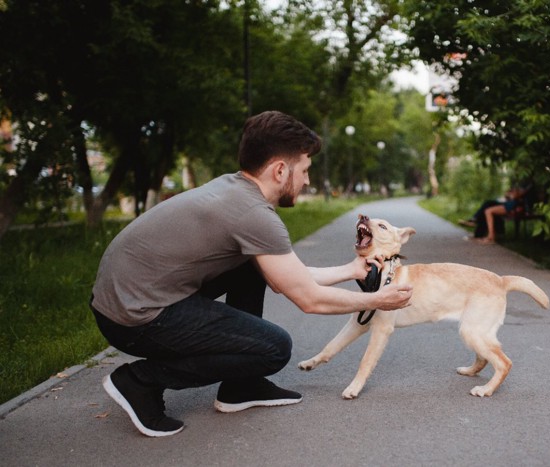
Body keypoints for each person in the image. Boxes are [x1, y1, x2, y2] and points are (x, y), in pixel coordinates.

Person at [89, 111, 413, 437]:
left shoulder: (234, 189)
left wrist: (349, 270)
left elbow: (288, 277)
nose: (308, 181)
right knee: (274, 347)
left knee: (250, 267)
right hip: (135, 319)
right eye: (305, 171)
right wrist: (377, 300)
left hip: (125, 301)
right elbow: (309, 299)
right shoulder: (254, 215)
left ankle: (241, 387)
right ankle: (141, 381)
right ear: (280, 170)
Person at [459, 182, 533, 244]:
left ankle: (490, 237)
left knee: (488, 211)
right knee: (488, 204)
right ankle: (477, 226)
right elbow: (510, 194)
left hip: (516, 205)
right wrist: (510, 194)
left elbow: (517, 195)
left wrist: (512, 194)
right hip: (511, 203)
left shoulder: (528, 182)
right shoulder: (520, 181)